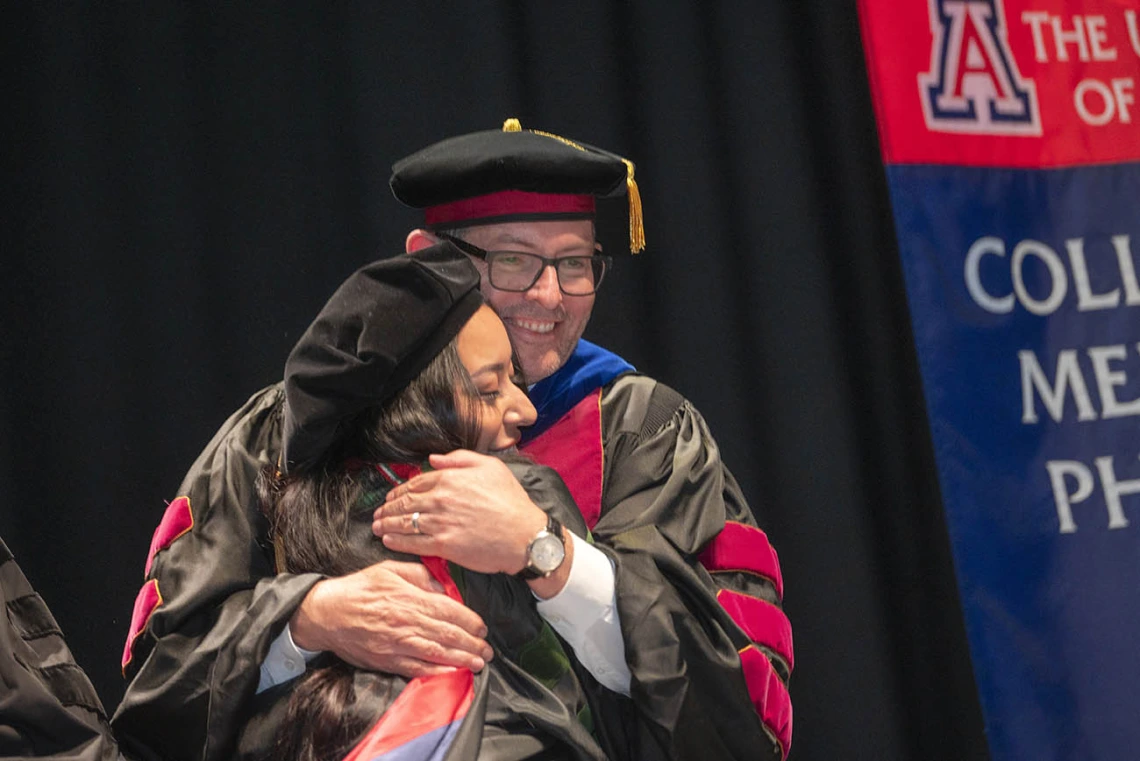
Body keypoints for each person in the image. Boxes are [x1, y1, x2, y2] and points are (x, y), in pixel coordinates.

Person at [113, 120, 792, 761]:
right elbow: (158, 688)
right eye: (514, 261)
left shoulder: (645, 435)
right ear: (429, 264)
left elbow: (740, 709)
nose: (551, 296)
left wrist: (547, 553)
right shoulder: (287, 430)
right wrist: (305, 619)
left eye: (577, 263)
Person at [243, 245, 619, 760]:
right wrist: (309, 619)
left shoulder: (530, 497)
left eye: (516, 380)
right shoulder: (298, 511)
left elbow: (644, 681)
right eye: (490, 391)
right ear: (417, 407)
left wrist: (537, 546)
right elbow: (182, 692)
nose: (527, 409)